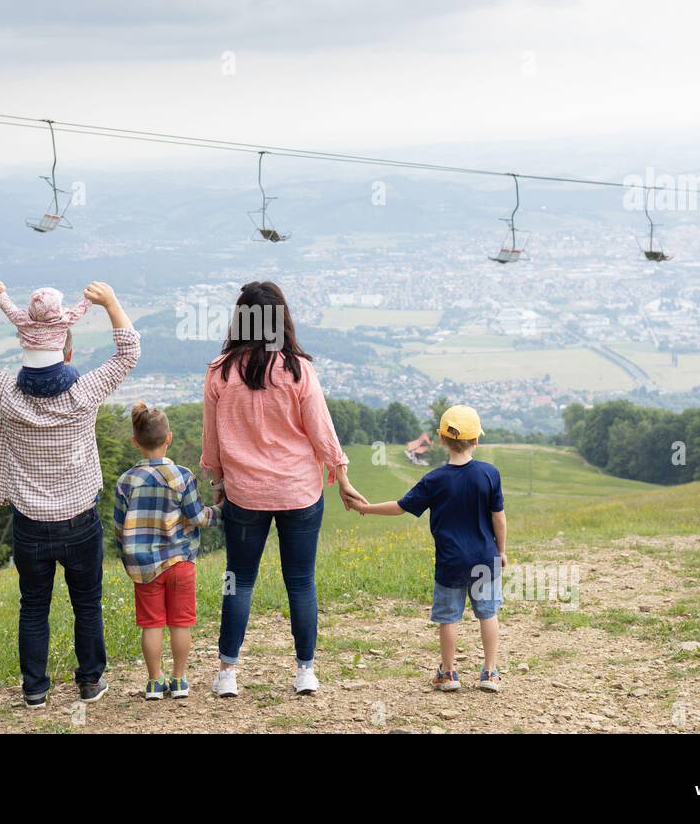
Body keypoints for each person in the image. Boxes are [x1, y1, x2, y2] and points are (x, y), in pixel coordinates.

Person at [0, 277, 139, 708]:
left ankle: (35, 689)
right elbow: (129, 350)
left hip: (30, 527)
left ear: (25, 349)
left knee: (34, 607)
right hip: (79, 521)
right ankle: (90, 682)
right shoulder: (84, 393)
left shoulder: (7, 394)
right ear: (68, 352)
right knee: (88, 605)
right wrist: (111, 301)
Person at [201, 281, 366, 698]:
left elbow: (211, 440)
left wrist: (218, 483)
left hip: (244, 494)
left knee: (237, 580)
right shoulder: (297, 369)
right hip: (299, 492)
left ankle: (227, 674)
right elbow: (321, 430)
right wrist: (342, 475)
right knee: (301, 581)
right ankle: (305, 671)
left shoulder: (220, 371)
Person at [355, 405, 508, 693]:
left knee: (449, 618)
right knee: (488, 614)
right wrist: (502, 551)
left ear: (441, 439)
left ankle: (448, 673)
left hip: (450, 562)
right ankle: (490, 672)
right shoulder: (490, 474)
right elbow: (498, 518)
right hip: (485, 560)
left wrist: (366, 508)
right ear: (476, 440)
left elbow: (400, 507)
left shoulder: (434, 480)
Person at [113, 402, 222, 700]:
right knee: (180, 622)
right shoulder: (182, 476)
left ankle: (153, 682)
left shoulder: (126, 481)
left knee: (151, 624)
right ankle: (180, 679)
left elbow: (119, 528)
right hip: (179, 561)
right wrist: (222, 510)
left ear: (135, 441)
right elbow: (198, 517)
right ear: (169, 438)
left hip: (144, 566)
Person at [0, 286, 91, 397]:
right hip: (56, 381)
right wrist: (89, 296)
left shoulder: (21, 321)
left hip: (27, 384)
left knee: (21, 373)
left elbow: (7, 306)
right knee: (72, 371)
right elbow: (80, 309)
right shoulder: (62, 323)